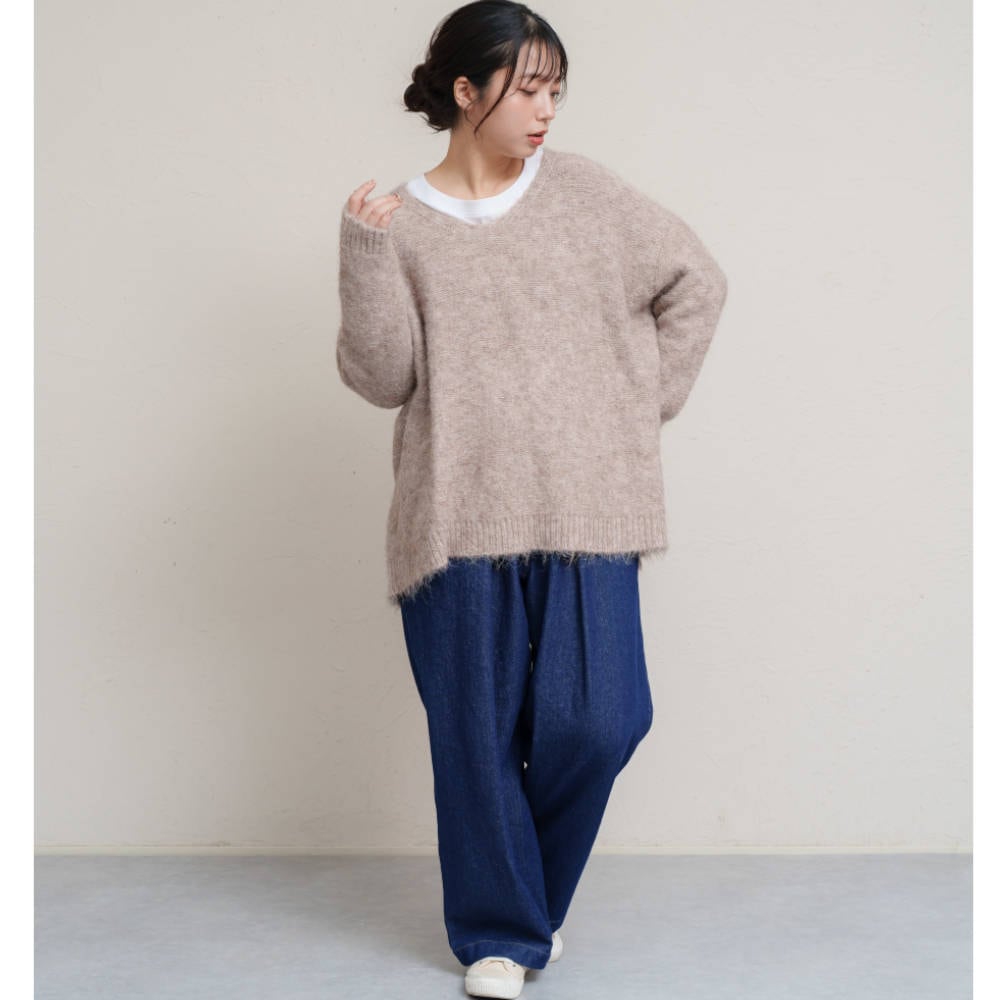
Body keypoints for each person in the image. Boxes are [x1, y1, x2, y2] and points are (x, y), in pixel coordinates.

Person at [336, 2, 728, 996]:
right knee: (475, 740)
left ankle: (525, 906)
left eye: (556, 89)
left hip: (589, 506)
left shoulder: (588, 194)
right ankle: (501, 938)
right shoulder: (400, 223)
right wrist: (365, 257)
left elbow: (697, 280)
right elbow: (382, 378)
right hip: (454, 513)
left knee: (601, 721)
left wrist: (635, 401)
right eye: (527, 89)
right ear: (466, 91)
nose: (546, 108)